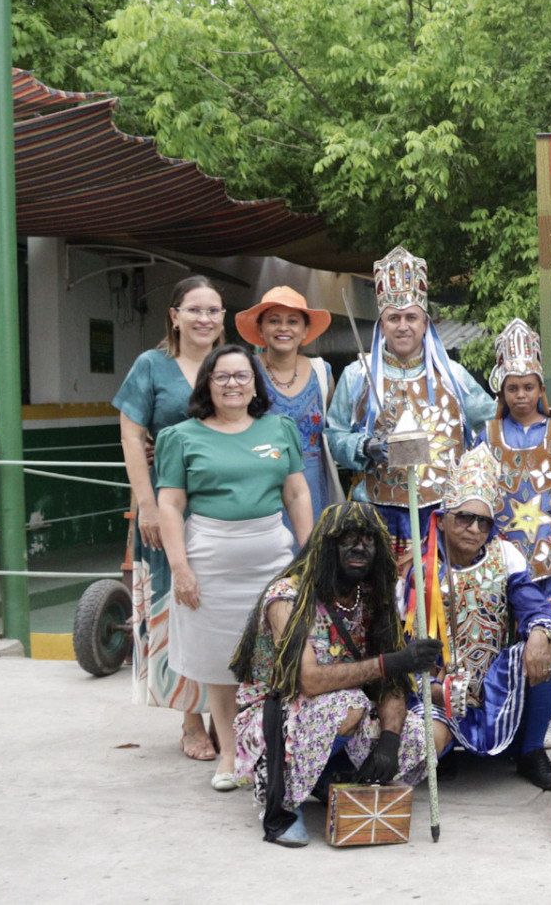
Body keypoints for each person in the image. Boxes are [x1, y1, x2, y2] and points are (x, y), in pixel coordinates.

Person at [229, 503, 444, 847]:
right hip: (276, 717)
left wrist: (388, 742)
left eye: (368, 541)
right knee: (348, 704)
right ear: (326, 546)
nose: (359, 548)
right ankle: (286, 795)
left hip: (340, 714)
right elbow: (308, 682)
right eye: (347, 540)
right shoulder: (287, 597)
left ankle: (331, 779)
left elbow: (391, 682)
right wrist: (390, 662)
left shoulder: (373, 596)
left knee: (427, 733)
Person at [156, 344, 315, 791]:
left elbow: (297, 495)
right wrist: (180, 568)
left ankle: (272, 747)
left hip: (271, 559)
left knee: (279, 657)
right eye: (222, 377)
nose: (232, 385)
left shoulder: (279, 428)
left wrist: (309, 556)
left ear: (255, 384)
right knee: (222, 666)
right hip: (209, 563)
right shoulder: (181, 437)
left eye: (241, 376)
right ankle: (229, 754)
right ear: (207, 383)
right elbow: (170, 506)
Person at [406, 443, 551, 790]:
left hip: (496, 682)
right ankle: (444, 751)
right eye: (464, 517)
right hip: (433, 689)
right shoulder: (417, 564)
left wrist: (538, 635)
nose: (475, 528)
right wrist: (429, 687)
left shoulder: (504, 555)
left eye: (484, 521)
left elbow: (532, 604)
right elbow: (398, 641)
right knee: (423, 745)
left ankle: (531, 751)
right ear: (443, 517)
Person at [326, 245, 497, 561]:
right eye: (393, 317)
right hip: (378, 512)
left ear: (424, 323)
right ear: (382, 323)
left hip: (443, 516)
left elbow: (494, 422)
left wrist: (549, 415)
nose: (402, 326)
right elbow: (334, 437)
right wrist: (365, 447)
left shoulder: (453, 376)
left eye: (410, 317)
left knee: (437, 604)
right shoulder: (357, 375)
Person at [114, 274, 222, 758]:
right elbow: (132, 437)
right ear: (174, 316)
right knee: (178, 608)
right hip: (166, 506)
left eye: (213, 310)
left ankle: (226, 712)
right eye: (194, 309)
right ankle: (190, 719)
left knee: (221, 609)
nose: (205, 318)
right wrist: (148, 506)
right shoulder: (151, 366)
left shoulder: (233, 364)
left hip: (222, 506)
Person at [483, 319, 551, 623]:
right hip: (507, 561)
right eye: (513, 388)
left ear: (541, 388)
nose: (521, 395)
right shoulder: (487, 438)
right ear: (502, 391)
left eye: (528, 387)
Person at [237, 286, 340, 526]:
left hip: (313, 484)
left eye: (293, 321)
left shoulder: (322, 373)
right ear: (260, 329)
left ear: (305, 330)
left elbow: (334, 431)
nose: (283, 328)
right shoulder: (244, 371)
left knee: (310, 556)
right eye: (274, 321)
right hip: (261, 487)